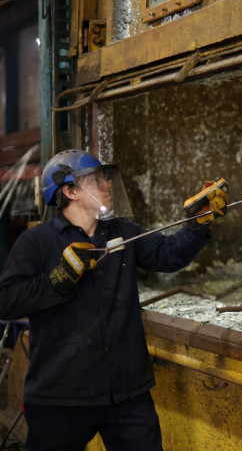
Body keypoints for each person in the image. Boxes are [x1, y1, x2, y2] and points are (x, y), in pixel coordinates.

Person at [0, 149, 228, 450]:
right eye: (96, 180)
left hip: (126, 393)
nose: (108, 185)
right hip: (61, 396)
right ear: (70, 191)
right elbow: (7, 301)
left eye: (107, 178)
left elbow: (168, 255)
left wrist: (198, 226)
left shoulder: (122, 232)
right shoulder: (37, 242)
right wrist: (57, 279)